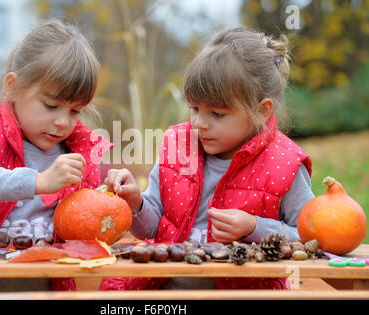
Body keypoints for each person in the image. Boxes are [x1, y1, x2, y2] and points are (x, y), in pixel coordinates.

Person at [100, 27, 314, 290]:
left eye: (217, 114)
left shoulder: (284, 164)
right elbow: (151, 229)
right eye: (195, 109)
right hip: (169, 290)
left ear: (261, 111)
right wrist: (135, 202)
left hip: (246, 295)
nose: (199, 123)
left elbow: (309, 237)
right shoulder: (178, 147)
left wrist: (254, 227)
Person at [0, 19, 112, 292]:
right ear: (12, 86)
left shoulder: (77, 153)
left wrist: (117, 196)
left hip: (42, 287)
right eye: (51, 105)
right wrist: (38, 181)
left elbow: (87, 222)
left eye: (75, 111)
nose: (63, 122)